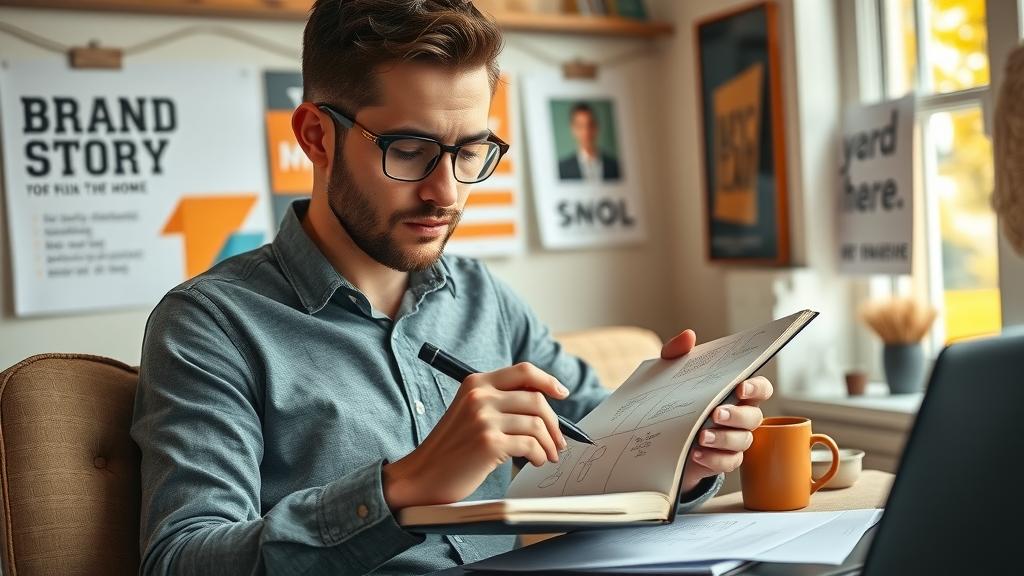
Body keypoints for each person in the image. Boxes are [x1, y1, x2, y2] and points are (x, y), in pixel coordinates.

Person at [130, 1, 773, 574]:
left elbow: (597, 447)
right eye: (409, 150)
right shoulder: (210, 325)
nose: (446, 192)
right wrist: (405, 486)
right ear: (316, 136)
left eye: (470, 152)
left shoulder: (483, 297)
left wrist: (682, 454)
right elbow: (181, 558)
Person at [557, 101, 622, 181]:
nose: (586, 132)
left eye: (590, 125)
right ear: (573, 129)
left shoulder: (615, 166)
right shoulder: (562, 169)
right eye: (580, 126)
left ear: (597, 127)